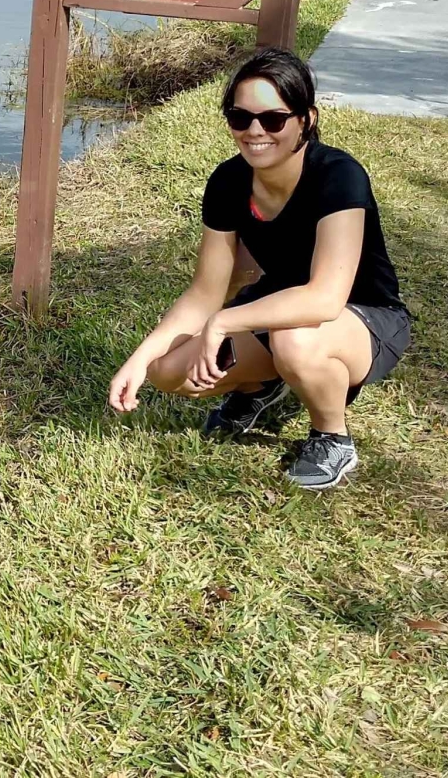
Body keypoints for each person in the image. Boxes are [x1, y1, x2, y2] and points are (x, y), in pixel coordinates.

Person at [107, 48, 411, 492]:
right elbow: (205, 293)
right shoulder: (229, 182)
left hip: (363, 317)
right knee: (169, 371)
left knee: (295, 338)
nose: (254, 132)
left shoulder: (338, 177)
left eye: (272, 119)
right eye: (240, 117)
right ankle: (258, 387)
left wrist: (225, 321)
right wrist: (140, 357)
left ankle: (332, 436)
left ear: (306, 119)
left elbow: (325, 299)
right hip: (275, 309)